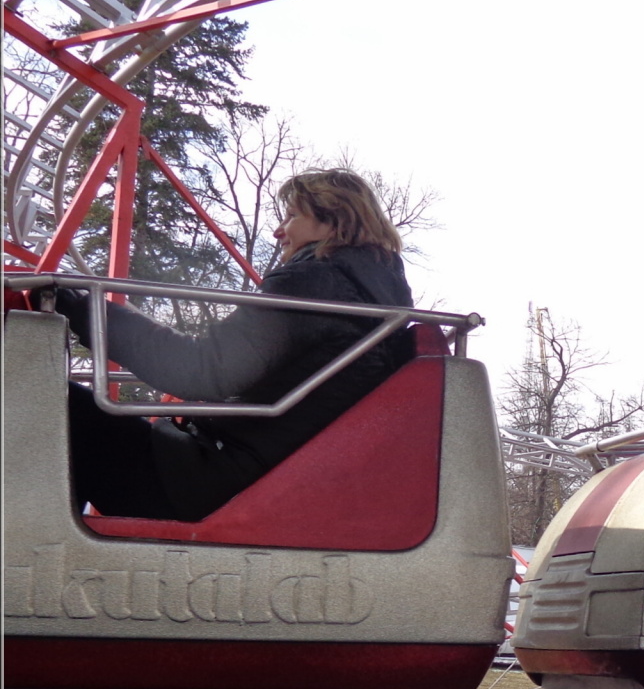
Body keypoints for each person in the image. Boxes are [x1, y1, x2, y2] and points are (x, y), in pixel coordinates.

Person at [55, 167, 415, 521]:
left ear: (333, 220)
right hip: (244, 472)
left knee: (49, 399)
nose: (278, 231)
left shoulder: (314, 283)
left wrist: (83, 309)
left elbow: (202, 371)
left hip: (200, 482)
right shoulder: (378, 303)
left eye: (291, 216)